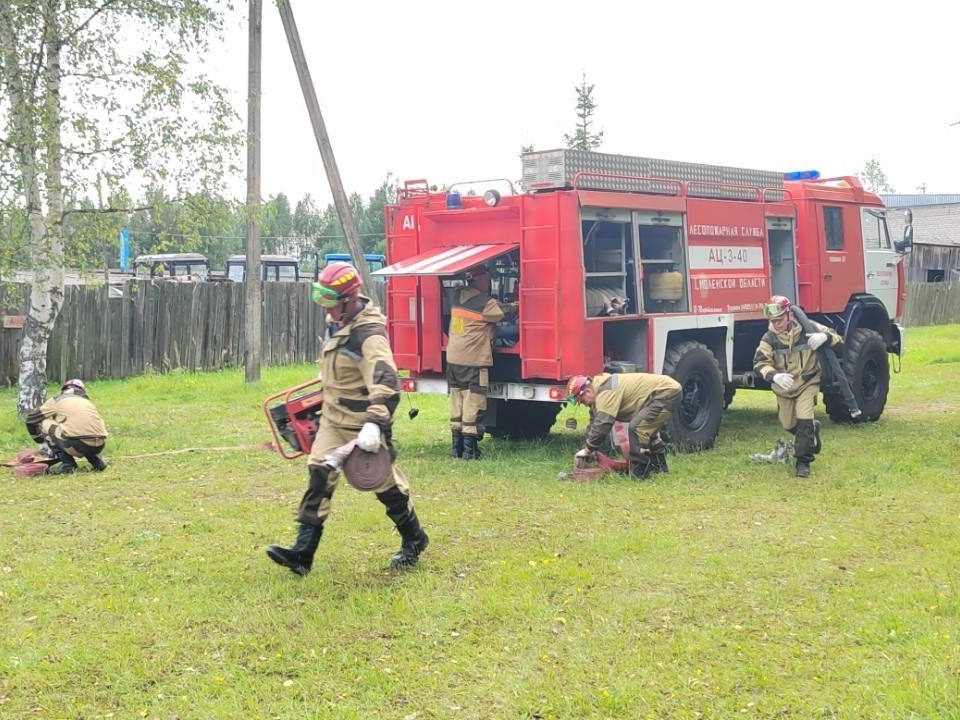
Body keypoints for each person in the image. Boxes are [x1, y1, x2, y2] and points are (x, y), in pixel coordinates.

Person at [267, 261, 429, 576]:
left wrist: (374, 424)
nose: (324, 307)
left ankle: (414, 538)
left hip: (361, 425)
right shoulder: (338, 322)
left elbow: (386, 380)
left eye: (329, 299)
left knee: (385, 486)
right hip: (332, 419)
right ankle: (303, 554)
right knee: (319, 473)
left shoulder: (368, 333)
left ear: (349, 299)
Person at [753, 295, 842, 478]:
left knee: (804, 419)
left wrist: (824, 337)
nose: (776, 324)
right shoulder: (769, 338)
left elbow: (839, 339)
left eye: (779, 320)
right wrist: (774, 375)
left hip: (807, 382)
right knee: (788, 423)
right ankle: (811, 431)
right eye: (772, 321)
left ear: (789, 316)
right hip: (784, 388)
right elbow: (759, 363)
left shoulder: (808, 327)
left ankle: (803, 463)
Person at [445, 263, 518, 459]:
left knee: (457, 400)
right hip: (473, 360)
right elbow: (505, 312)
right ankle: (470, 451)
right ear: (480, 279)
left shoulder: (457, 297)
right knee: (473, 401)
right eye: (487, 278)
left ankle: (456, 449)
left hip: (453, 359)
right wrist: (519, 303)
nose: (489, 282)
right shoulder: (484, 304)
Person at [566, 371, 682, 479]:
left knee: (637, 429)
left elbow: (603, 424)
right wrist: (586, 450)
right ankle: (659, 468)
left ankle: (641, 472)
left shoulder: (605, 392)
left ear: (587, 392)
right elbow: (595, 425)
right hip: (666, 391)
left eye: (581, 401)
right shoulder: (599, 392)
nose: (583, 404)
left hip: (666, 392)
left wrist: (588, 449)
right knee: (646, 430)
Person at [24, 378, 108, 474]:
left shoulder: (57, 400)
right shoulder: (88, 403)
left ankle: (68, 464)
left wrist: (41, 443)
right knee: (84, 430)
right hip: (99, 445)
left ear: (64, 390)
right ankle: (98, 462)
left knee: (45, 423)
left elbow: (31, 420)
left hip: (76, 444)